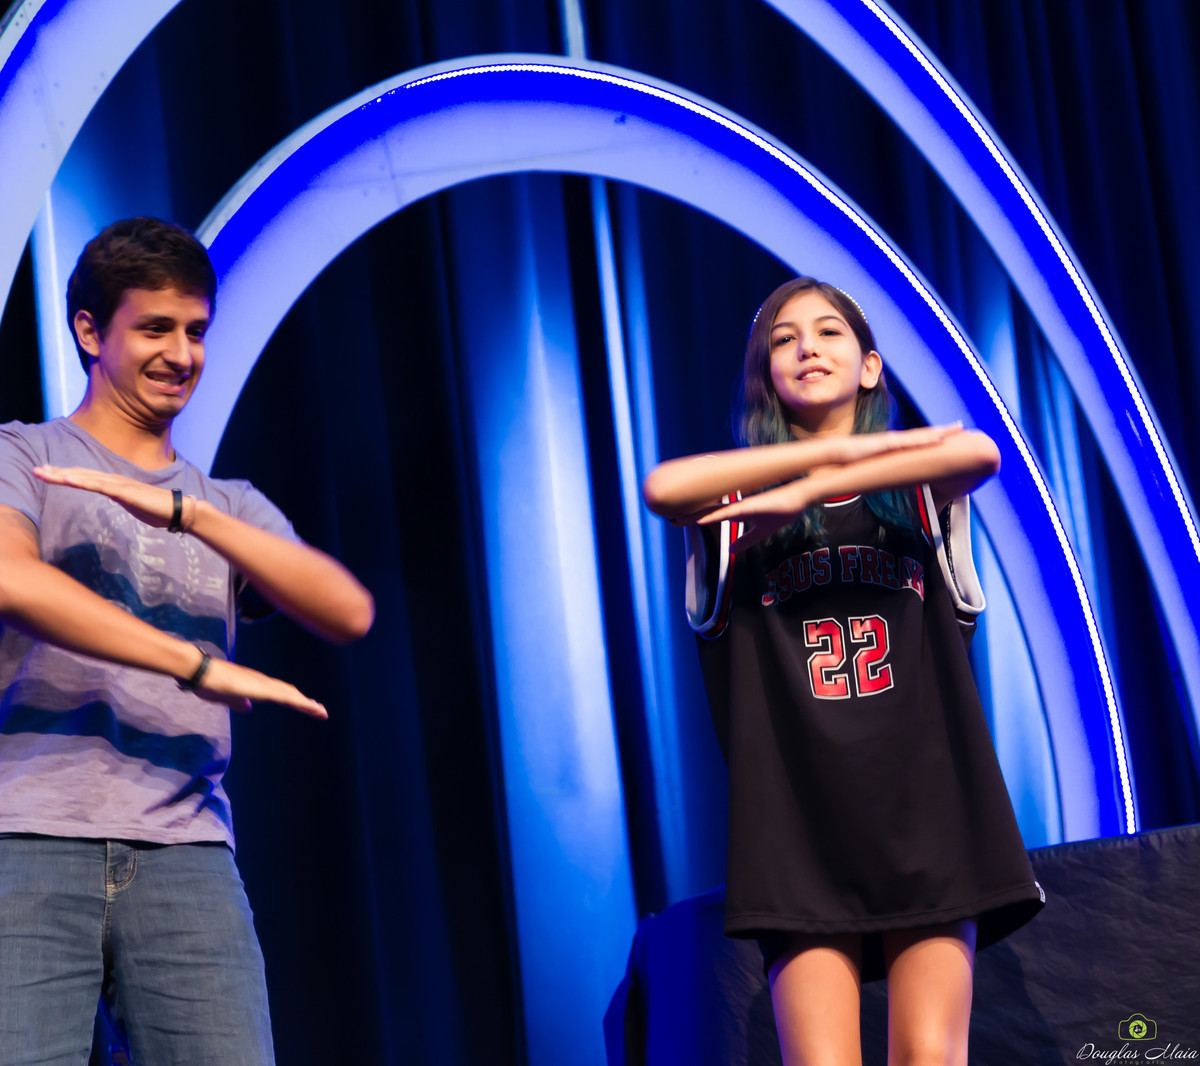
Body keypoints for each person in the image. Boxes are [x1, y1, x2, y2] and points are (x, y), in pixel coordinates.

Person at [0, 217, 375, 1064]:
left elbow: (347, 610)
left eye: (197, 331)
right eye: (156, 328)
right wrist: (193, 662)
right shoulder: (24, 455)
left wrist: (184, 510)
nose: (182, 354)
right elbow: (12, 579)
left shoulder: (229, 505)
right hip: (24, 837)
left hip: (187, 852)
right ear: (91, 331)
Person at [642, 277, 1043, 1066]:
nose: (805, 348)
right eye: (783, 340)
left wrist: (821, 480)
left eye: (827, 333)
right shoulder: (733, 508)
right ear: (764, 376)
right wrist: (796, 474)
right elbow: (661, 487)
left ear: (869, 367)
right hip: (798, 829)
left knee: (930, 1056)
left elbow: (982, 451)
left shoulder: (922, 495)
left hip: (931, 815)